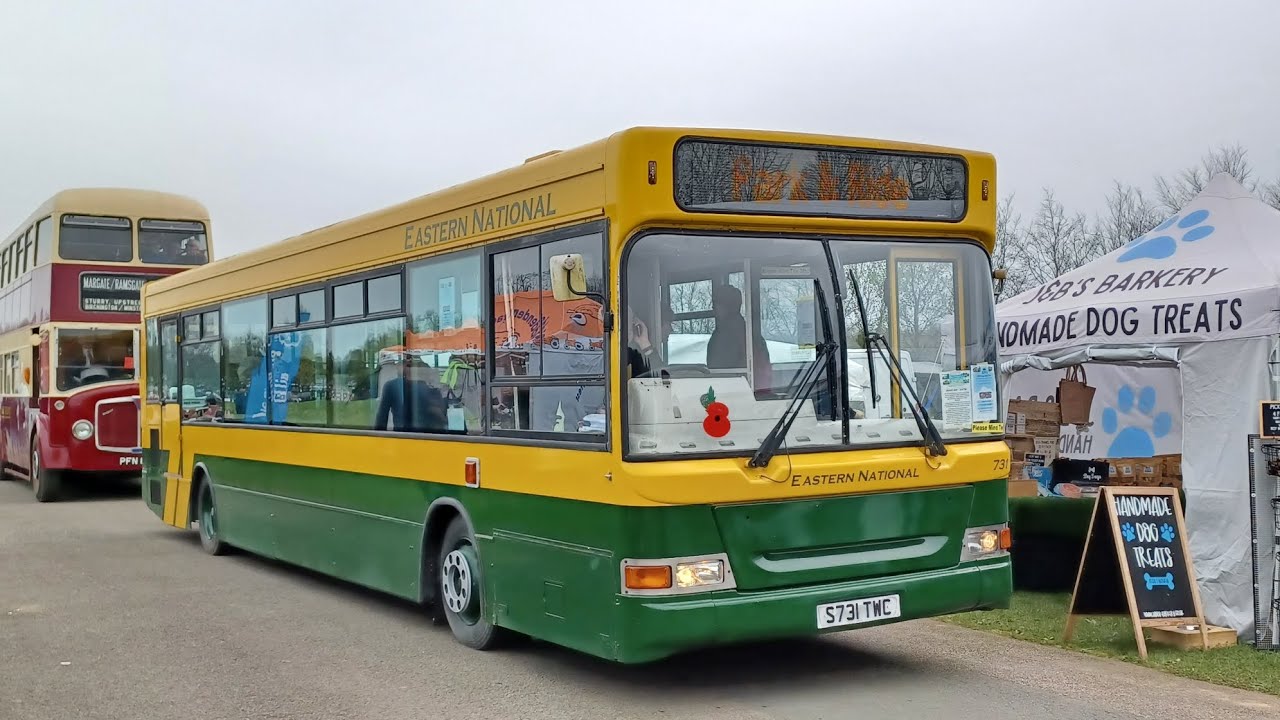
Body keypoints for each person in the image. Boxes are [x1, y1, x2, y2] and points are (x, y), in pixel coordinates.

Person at [374, 359, 448, 433]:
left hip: (405, 438)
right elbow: (443, 423)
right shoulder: (433, 391)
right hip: (427, 438)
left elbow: (381, 420)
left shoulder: (392, 386)